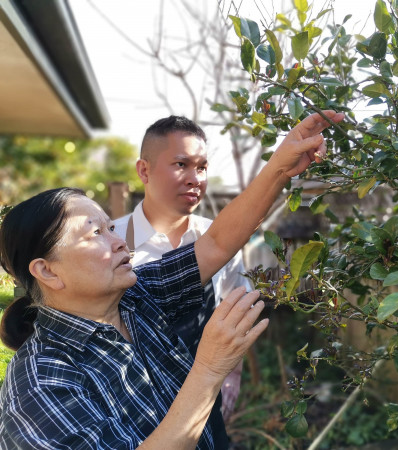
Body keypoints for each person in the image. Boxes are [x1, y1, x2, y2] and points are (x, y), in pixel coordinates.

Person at [0, 111, 344, 449]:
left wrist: (280, 167)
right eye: (95, 234)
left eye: (110, 227)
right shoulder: (39, 382)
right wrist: (209, 370)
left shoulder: (137, 296)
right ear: (47, 271)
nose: (119, 240)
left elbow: (216, 243)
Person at [112, 116, 250, 423]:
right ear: (143, 170)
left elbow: (235, 309)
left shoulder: (220, 240)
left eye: (201, 167)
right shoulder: (112, 241)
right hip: (132, 405)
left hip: (204, 401)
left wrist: (232, 376)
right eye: (181, 165)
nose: (195, 179)